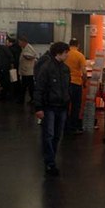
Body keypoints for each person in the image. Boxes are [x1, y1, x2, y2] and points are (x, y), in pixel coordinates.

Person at [34, 42, 71, 176]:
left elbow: (67, 87)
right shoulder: (47, 68)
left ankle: (51, 160)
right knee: (49, 135)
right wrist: (38, 107)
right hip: (49, 106)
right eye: (66, 52)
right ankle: (50, 162)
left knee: (56, 135)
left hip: (62, 106)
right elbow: (39, 88)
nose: (67, 55)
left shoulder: (65, 69)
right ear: (58, 53)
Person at [64, 38, 86, 134]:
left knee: (65, 105)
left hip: (65, 83)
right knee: (75, 106)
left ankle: (64, 126)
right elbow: (84, 72)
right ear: (78, 45)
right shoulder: (80, 55)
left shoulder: (65, 54)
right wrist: (84, 82)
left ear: (69, 45)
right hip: (76, 83)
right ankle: (73, 127)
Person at [18, 36, 38, 103]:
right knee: (27, 85)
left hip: (28, 71)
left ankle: (28, 99)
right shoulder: (24, 47)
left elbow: (34, 56)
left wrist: (27, 57)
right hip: (25, 70)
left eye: (20, 42)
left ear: (24, 42)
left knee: (28, 86)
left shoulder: (29, 48)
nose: (19, 44)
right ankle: (29, 98)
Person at [7, 35, 22, 102]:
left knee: (12, 81)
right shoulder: (19, 48)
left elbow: (12, 59)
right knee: (16, 80)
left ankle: (12, 95)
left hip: (13, 67)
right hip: (18, 66)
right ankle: (17, 94)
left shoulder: (11, 49)